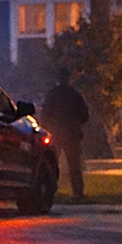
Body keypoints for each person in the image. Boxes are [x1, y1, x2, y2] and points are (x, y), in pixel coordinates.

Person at [41, 67, 91, 200]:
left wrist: (49, 128)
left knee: (53, 162)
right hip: (72, 132)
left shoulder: (52, 94)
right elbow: (85, 115)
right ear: (69, 78)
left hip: (56, 132)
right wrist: (77, 124)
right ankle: (78, 192)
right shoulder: (74, 94)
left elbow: (45, 114)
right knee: (74, 164)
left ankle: (50, 190)